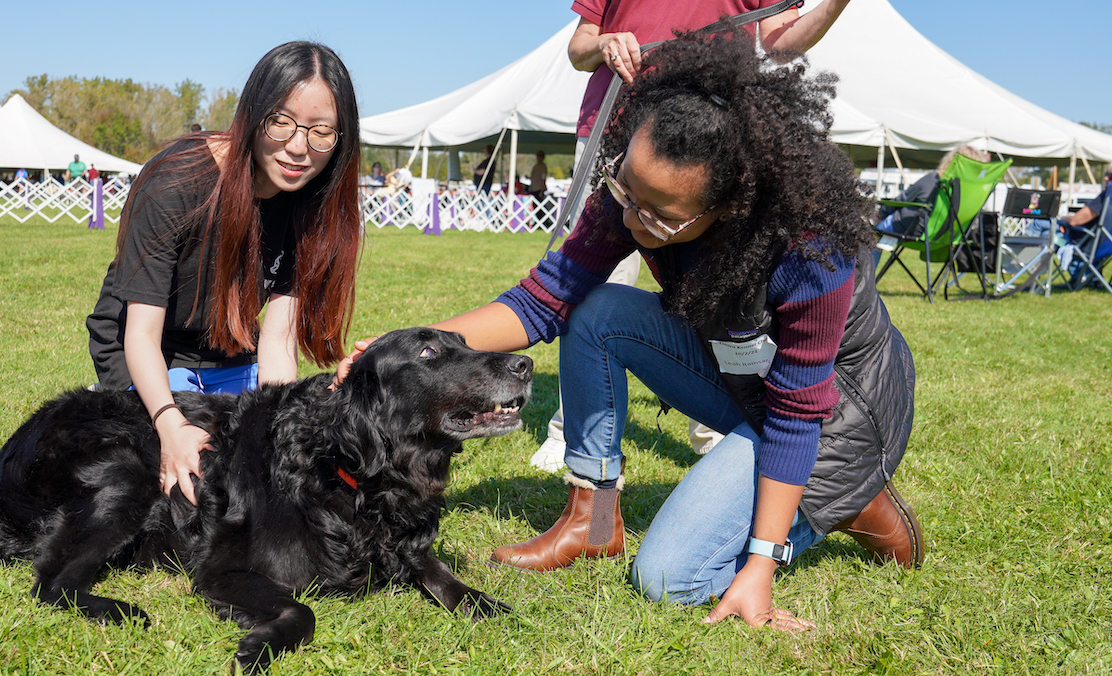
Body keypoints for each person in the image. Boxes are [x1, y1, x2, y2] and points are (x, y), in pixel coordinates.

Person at [346, 28, 921, 629]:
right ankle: (592, 523)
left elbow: (799, 411)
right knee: (596, 312)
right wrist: (403, 351)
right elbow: (543, 301)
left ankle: (851, 495)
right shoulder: (642, 192)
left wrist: (760, 564)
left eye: (657, 216)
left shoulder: (812, 251)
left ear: (731, 205)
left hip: (834, 417)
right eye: (625, 187)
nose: (628, 217)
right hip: (745, 381)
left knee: (671, 578)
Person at [531, 0, 856, 471]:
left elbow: (781, 44)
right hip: (624, 134)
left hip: (711, 153)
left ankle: (716, 430)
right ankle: (571, 432)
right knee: (593, 291)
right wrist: (603, 43)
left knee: (720, 291)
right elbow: (579, 48)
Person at [86, 41, 362, 506]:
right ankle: (122, 402)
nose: (298, 147)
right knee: (196, 484)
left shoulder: (311, 205)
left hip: (231, 349)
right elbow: (140, 334)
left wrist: (276, 431)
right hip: (155, 350)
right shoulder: (176, 182)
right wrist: (170, 423)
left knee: (289, 457)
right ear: (253, 113)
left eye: (321, 132)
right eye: (281, 122)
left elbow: (276, 341)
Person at [872, 144, 990, 267]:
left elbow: (903, 198)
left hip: (912, 231)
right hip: (945, 238)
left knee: (871, 234)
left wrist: (881, 214)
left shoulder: (934, 180)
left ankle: (864, 280)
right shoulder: (974, 192)